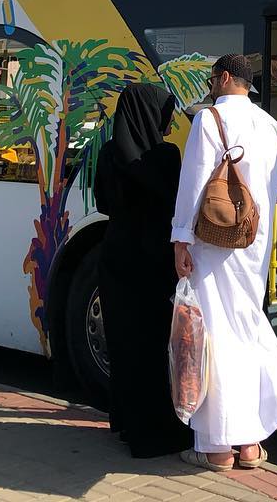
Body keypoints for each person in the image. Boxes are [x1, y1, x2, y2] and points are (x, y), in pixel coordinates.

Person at [170, 54, 277, 472]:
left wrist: (180, 239)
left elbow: (192, 185)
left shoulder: (208, 120)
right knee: (246, 326)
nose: (210, 84)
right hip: (255, 242)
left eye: (212, 78)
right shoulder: (273, 126)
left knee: (213, 334)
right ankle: (250, 442)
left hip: (213, 240)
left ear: (224, 78)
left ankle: (216, 447)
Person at [94, 83, 192, 458]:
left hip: (115, 257)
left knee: (123, 345)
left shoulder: (108, 154)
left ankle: (125, 423)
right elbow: (177, 207)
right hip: (152, 261)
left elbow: (103, 202)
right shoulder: (166, 157)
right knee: (153, 347)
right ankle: (153, 434)